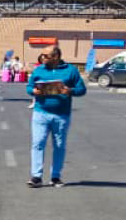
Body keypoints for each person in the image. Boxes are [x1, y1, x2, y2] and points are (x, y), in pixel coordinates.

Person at [26, 46, 87, 187]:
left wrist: (70, 91)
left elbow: (82, 89)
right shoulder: (39, 70)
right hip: (41, 113)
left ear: (56, 57)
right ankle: (36, 176)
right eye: (42, 55)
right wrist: (34, 91)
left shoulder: (70, 70)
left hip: (61, 115)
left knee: (59, 145)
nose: (42, 58)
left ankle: (55, 176)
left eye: (46, 56)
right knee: (38, 143)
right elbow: (29, 87)